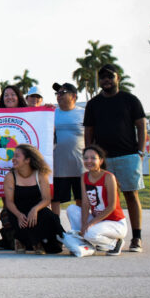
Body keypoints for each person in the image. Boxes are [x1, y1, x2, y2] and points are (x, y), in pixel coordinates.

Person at [83, 64, 146, 253]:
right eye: (102, 77)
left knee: (131, 195)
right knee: (105, 198)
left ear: (118, 77)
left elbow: (141, 126)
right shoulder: (93, 104)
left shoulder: (130, 100)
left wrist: (140, 151)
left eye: (110, 76)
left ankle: (137, 237)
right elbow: (89, 131)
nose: (106, 80)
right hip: (103, 160)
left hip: (128, 155)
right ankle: (110, 236)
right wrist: (89, 154)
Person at [0, 144, 63, 254]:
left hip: (36, 209)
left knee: (50, 217)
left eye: (17, 156)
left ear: (27, 160)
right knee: (16, 217)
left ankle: (39, 242)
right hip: (17, 210)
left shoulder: (40, 174)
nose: (13, 159)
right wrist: (19, 215)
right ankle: (21, 240)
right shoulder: (10, 176)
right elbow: (9, 202)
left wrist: (35, 210)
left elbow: (46, 199)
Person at [66, 145, 127, 255]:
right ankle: (82, 241)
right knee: (71, 209)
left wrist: (90, 224)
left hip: (115, 223)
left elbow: (111, 206)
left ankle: (114, 243)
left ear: (101, 160)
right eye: (86, 158)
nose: (89, 161)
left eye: (93, 158)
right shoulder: (84, 177)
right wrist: (84, 224)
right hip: (99, 221)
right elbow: (85, 204)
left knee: (90, 233)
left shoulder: (108, 177)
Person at [52, 82, 85, 217]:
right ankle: (56, 231)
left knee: (82, 199)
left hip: (81, 167)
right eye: (57, 93)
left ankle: (81, 230)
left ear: (73, 96)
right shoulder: (51, 113)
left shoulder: (84, 113)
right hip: (58, 167)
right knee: (55, 200)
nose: (58, 96)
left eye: (62, 93)